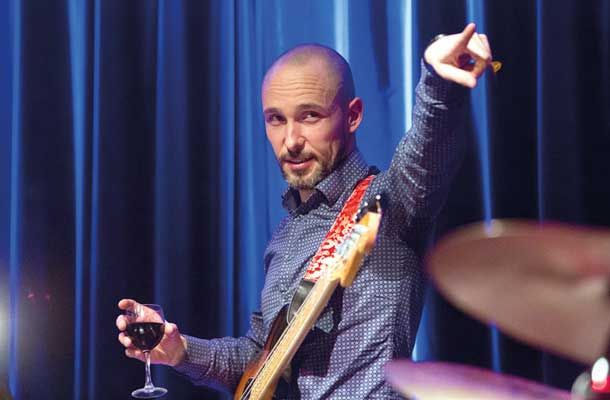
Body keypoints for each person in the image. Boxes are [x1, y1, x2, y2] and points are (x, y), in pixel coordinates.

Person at [116, 23, 493, 399]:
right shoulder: (286, 236)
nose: (291, 141)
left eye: (310, 116)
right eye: (276, 119)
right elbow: (259, 358)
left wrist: (439, 84)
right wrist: (180, 350)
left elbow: (426, 149)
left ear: (353, 116)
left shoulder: (390, 206)